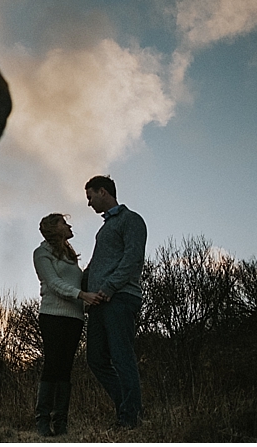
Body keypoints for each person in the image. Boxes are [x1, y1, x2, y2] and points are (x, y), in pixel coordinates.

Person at [81, 175, 147, 430]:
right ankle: (129, 408)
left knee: (122, 357)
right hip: (99, 302)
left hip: (120, 298)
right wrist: (78, 290)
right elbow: (95, 266)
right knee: (95, 359)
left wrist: (108, 288)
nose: (89, 204)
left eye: (90, 197)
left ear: (103, 192)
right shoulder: (104, 229)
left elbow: (133, 259)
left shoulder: (131, 220)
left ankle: (130, 418)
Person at [32, 213, 101, 437]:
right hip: (52, 315)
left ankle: (60, 423)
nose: (69, 225)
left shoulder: (70, 256)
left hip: (75, 318)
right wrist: (82, 295)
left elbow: (74, 280)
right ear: (54, 228)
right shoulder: (41, 253)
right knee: (52, 364)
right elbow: (53, 283)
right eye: (64, 222)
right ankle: (42, 421)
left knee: (65, 369)